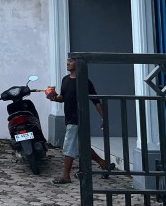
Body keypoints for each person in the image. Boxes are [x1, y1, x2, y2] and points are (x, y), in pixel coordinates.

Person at [46, 55, 115, 185]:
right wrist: (54, 97)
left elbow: (96, 102)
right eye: (67, 60)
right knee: (82, 147)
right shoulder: (65, 79)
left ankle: (66, 175)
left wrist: (104, 118)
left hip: (78, 119)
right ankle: (103, 164)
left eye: (71, 61)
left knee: (69, 146)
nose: (67, 63)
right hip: (69, 117)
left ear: (78, 63)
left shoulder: (85, 82)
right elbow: (63, 98)